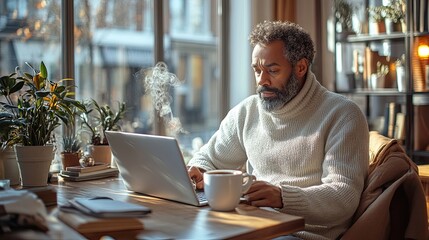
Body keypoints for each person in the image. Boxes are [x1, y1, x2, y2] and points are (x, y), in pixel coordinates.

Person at [187, 20, 369, 240]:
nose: (262, 81)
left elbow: (344, 197)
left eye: (272, 70)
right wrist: (198, 171)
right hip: (253, 224)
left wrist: (283, 198)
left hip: (303, 234)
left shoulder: (342, 114)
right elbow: (210, 159)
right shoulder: (248, 111)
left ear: (300, 67)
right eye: (257, 70)